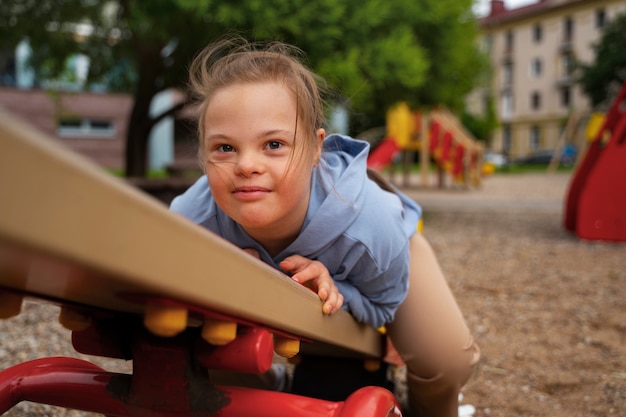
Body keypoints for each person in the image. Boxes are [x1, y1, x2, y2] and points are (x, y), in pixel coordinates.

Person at [170, 36, 480, 417]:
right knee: (204, 326)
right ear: (202, 155)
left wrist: (340, 290)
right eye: (225, 148)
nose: (246, 165)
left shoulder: (371, 224)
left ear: (317, 148)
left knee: (447, 360)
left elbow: (383, 308)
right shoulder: (192, 219)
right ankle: (270, 392)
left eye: (273, 145)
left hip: (380, 262)